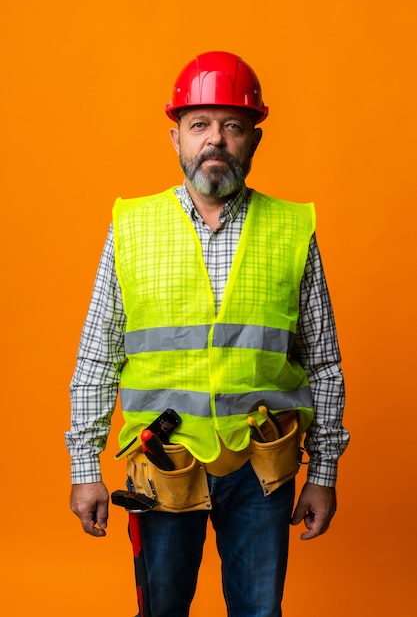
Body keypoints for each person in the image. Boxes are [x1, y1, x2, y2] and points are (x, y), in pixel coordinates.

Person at [66, 51, 349, 617]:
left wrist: (323, 473)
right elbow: (97, 357)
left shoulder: (292, 229)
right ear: (176, 138)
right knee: (161, 610)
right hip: (162, 464)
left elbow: (324, 364)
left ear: (253, 140)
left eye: (232, 125)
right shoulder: (133, 226)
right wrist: (84, 467)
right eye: (199, 125)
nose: (214, 140)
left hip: (261, 470)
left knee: (259, 613)